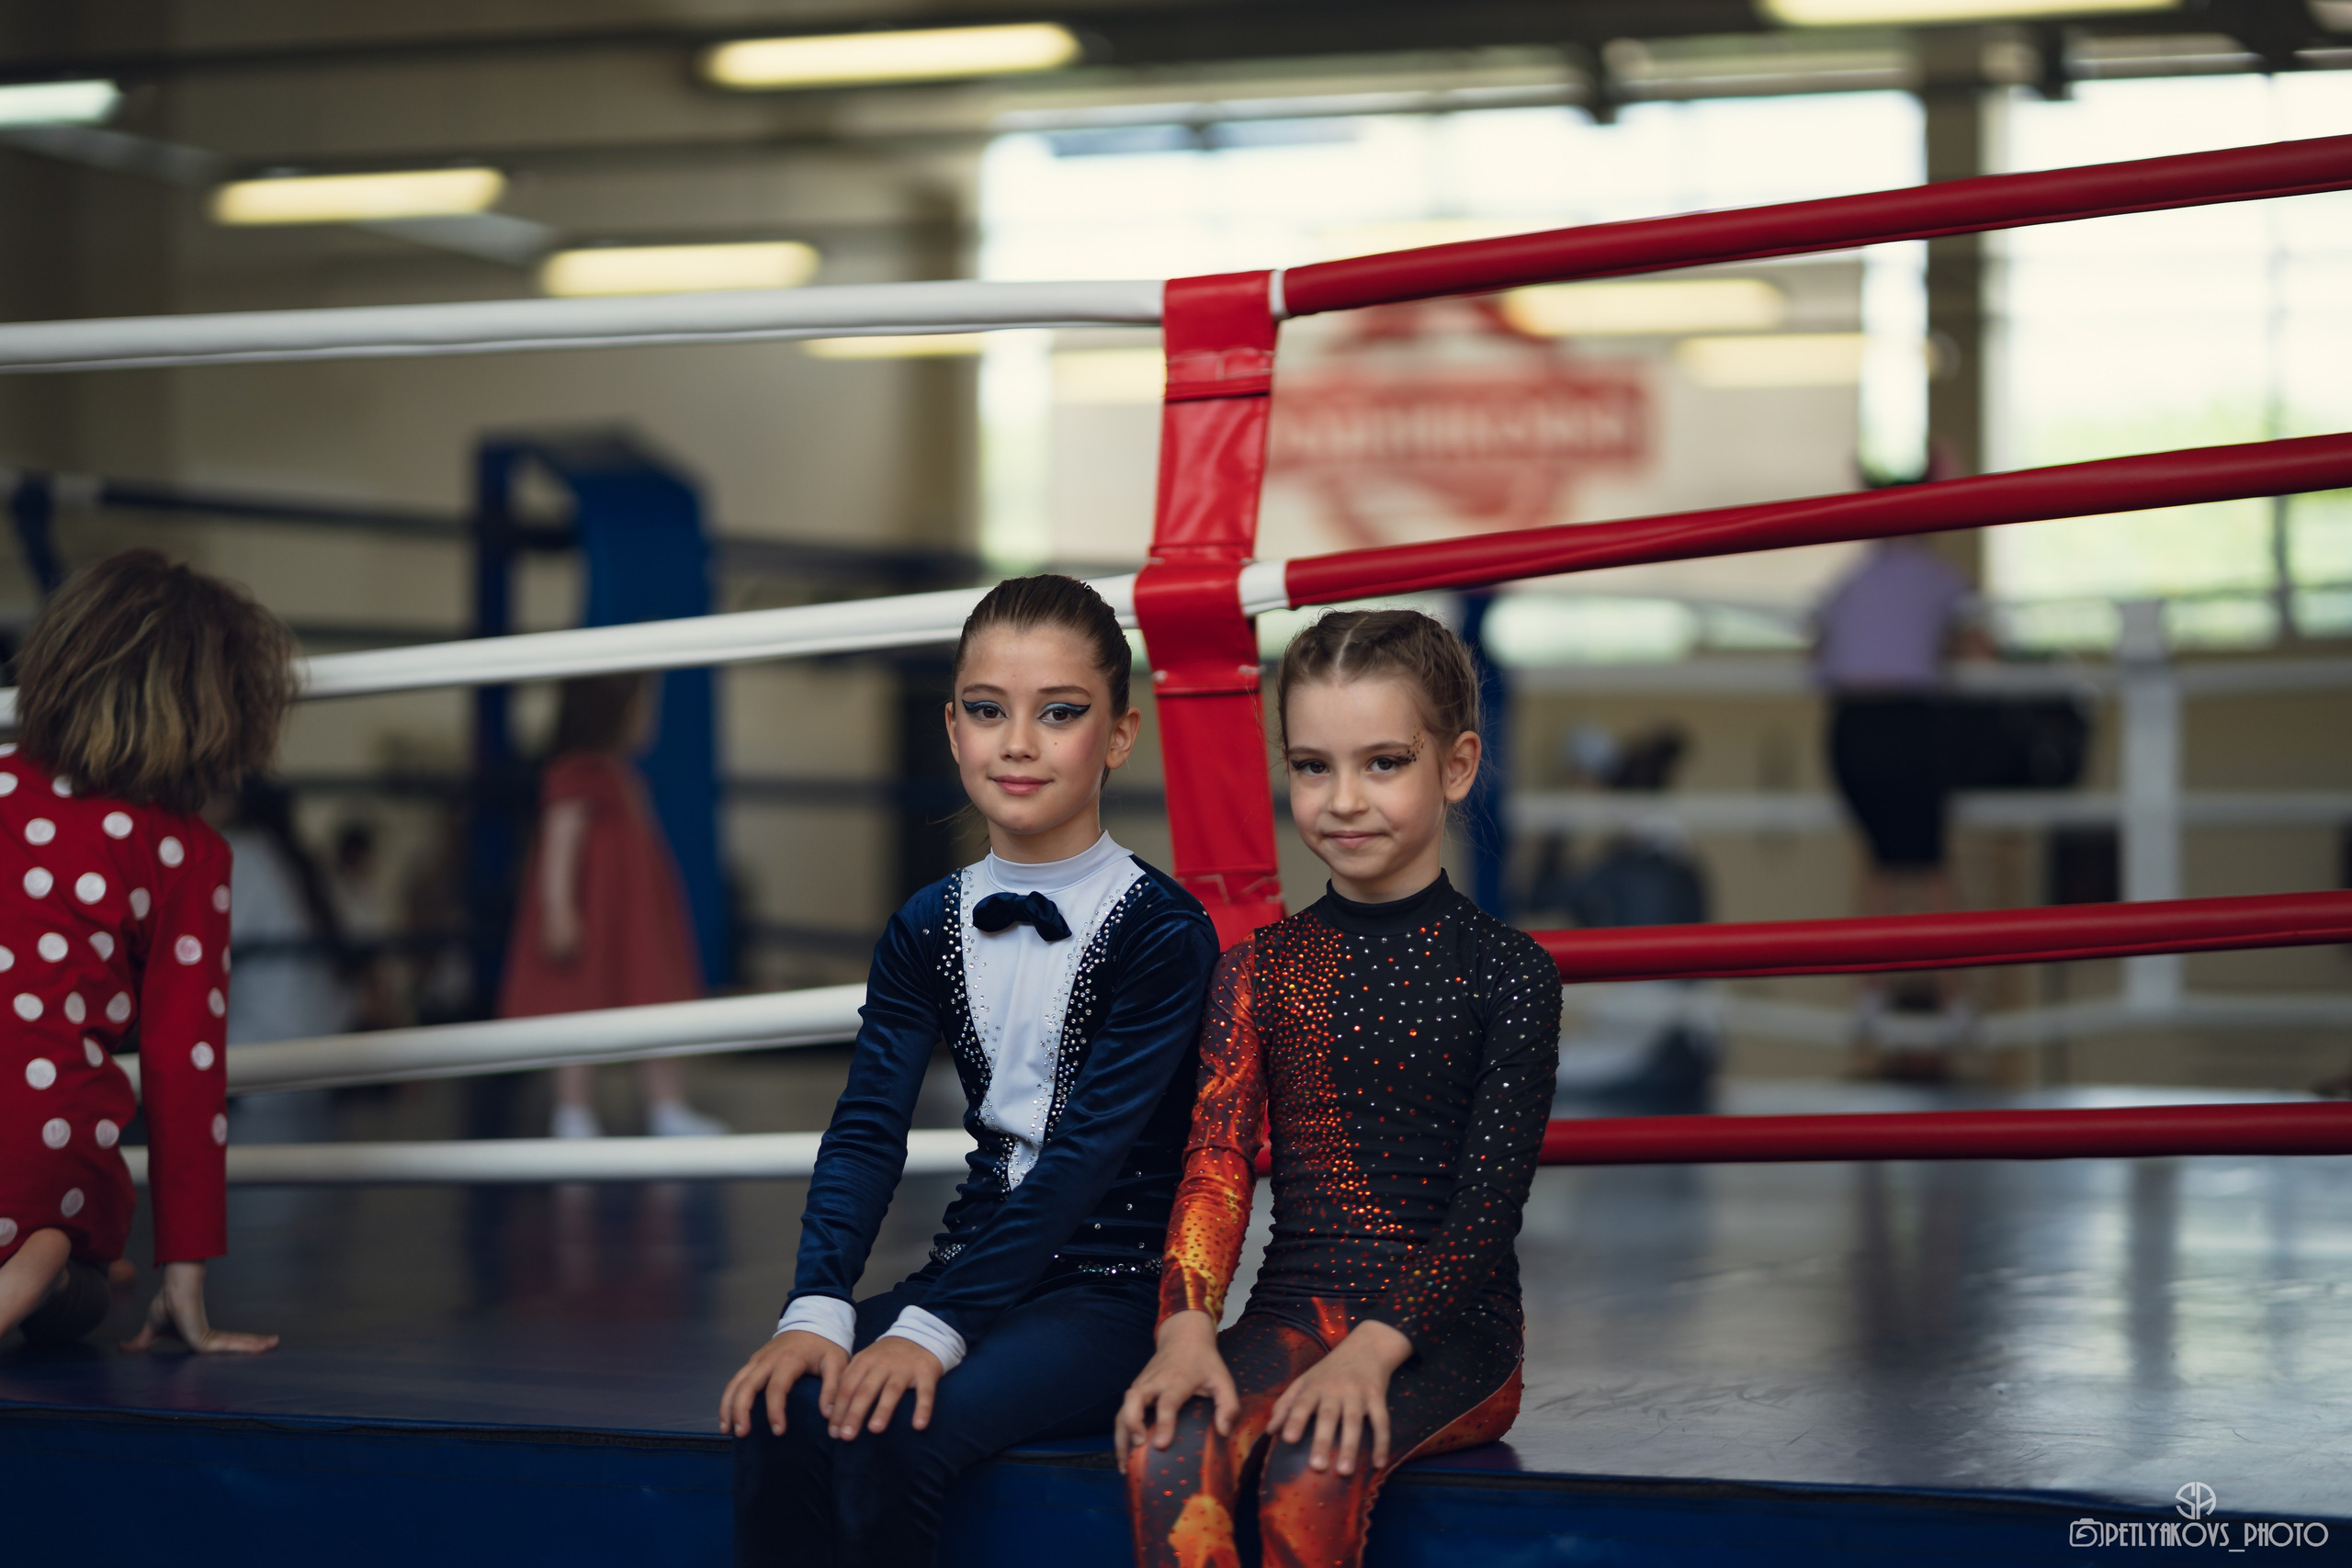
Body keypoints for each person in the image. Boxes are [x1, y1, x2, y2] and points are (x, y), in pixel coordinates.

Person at [723, 575, 1218, 1568]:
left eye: (1060, 713)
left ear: (1120, 735)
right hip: (970, 1260)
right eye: (989, 711)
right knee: (785, 1407)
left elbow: (1082, 1159)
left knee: (890, 1429)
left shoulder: (1163, 932)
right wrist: (817, 1305)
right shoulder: (924, 925)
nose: (1018, 742)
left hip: (1107, 1291)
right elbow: (867, 1126)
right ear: (953, 730)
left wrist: (934, 1328)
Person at [1118, 608, 1561, 1568]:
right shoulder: (1259, 970)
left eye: (1384, 763)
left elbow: (1487, 1211)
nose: (1344, 800)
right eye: (1313, 766)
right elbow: (1215, 1166)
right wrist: (1186, 1329)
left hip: (1449, 1332)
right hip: (1295, 1308)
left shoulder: (1507, 973)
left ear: (1456, 765)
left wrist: (1373, 1348)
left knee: (1312, 1465)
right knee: (1168, 1444)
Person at [0, 549, 290, 1354]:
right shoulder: (187, 854)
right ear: (221, 715)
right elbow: (183, 1069)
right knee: (89, 1290)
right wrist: (184, 1279)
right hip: (42, 1155)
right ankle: (49, 1262)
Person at [498, 672, 724, 1139]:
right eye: (641, 708)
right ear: (610, 714)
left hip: (631, 915)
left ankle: (666, 1105)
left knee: (652, 1001)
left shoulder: (619, 774)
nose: (648, 719)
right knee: (578, 1006)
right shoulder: (578, 773)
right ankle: (573, 1110)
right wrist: (559, 909)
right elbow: (560, 842)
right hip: (595, 917)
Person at [1814, 535, 1984, 1074]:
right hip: (1907, 723)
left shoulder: (1847, 581)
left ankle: (1869, 996)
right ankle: (1954, 1000)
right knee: (1932, 864)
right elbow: (1982, 643)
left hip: (1849, 729)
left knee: (1880, 861)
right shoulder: (1935, 575)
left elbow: (1815, 652)